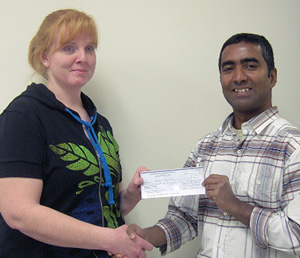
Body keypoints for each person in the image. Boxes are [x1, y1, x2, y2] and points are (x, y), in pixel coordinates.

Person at [126, 33, 300, 257]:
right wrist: (146, 236)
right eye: (229, 69)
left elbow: (296, 236)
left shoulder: (292, 147)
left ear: (272, 77)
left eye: (250, 65)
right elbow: (185, 218)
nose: (238, 77)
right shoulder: (206, 147)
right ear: (221, 80)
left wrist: (235, 206)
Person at [0, 9, 152, 258]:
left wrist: (131, 196)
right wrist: (110, 240)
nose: (83, 57)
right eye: (69, 48)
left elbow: (101, 209)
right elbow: (18, 212)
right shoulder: (24, 116)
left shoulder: (99, 123)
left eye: (90, 48)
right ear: (45, 57)